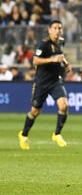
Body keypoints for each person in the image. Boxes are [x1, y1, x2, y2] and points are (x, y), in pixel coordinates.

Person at [18, 20, 72, 150]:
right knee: (35, 111)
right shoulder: (44, 44)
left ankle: (57, 134)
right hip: (42, 82)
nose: (58, 30)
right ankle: (24, 134)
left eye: (60, 28)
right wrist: (52, 59)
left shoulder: (61, 42)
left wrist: (65, 63)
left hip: (55, 81)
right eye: (55, 28)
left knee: (64, 105)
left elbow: (60, 54)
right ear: (49, 30)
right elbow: (35, 60)